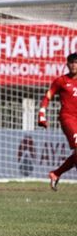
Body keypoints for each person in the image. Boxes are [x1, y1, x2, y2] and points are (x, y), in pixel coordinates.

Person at [37, 52, 77, 191]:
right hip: (68, 118)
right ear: (67, 65)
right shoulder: (61, 81)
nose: (74, 65)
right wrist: (42, 114)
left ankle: (56, 173)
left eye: (76, 62)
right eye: (71, 62)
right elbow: (48, 96)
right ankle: (56, 173)